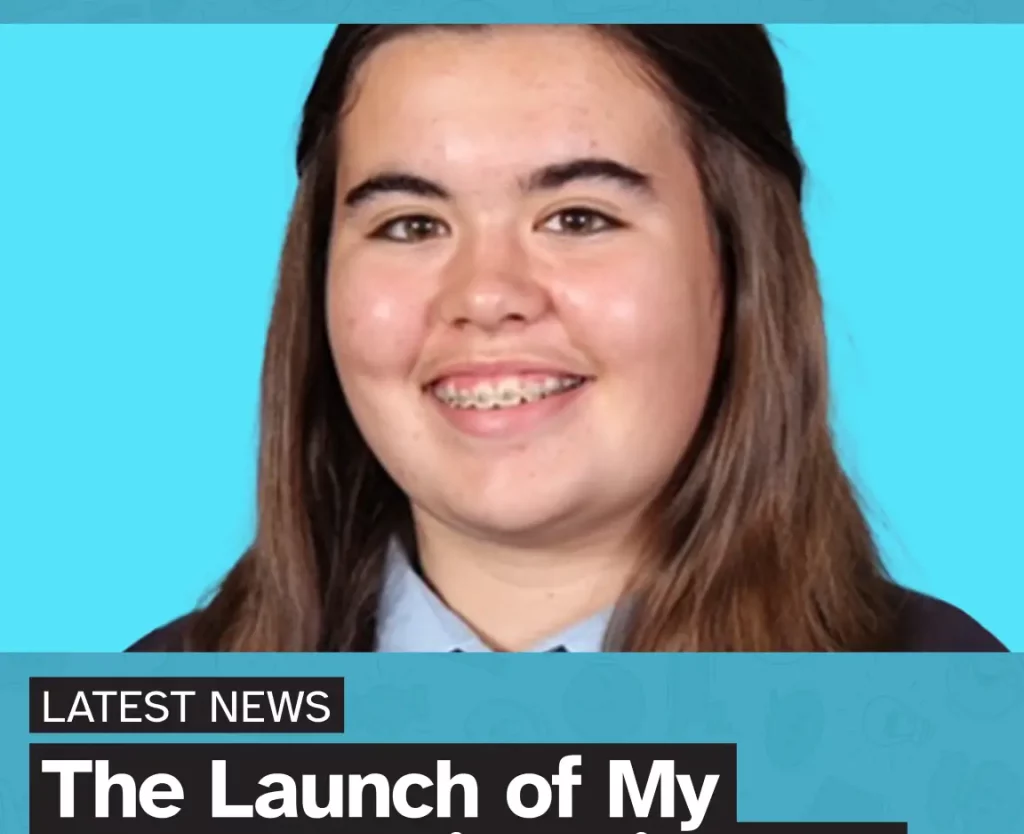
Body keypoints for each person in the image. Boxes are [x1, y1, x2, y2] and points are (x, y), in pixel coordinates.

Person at [129, 24, 1005, 654]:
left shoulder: (955, 718)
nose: (485, 296)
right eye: (409, 224)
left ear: (739, 271)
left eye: (578, 216)